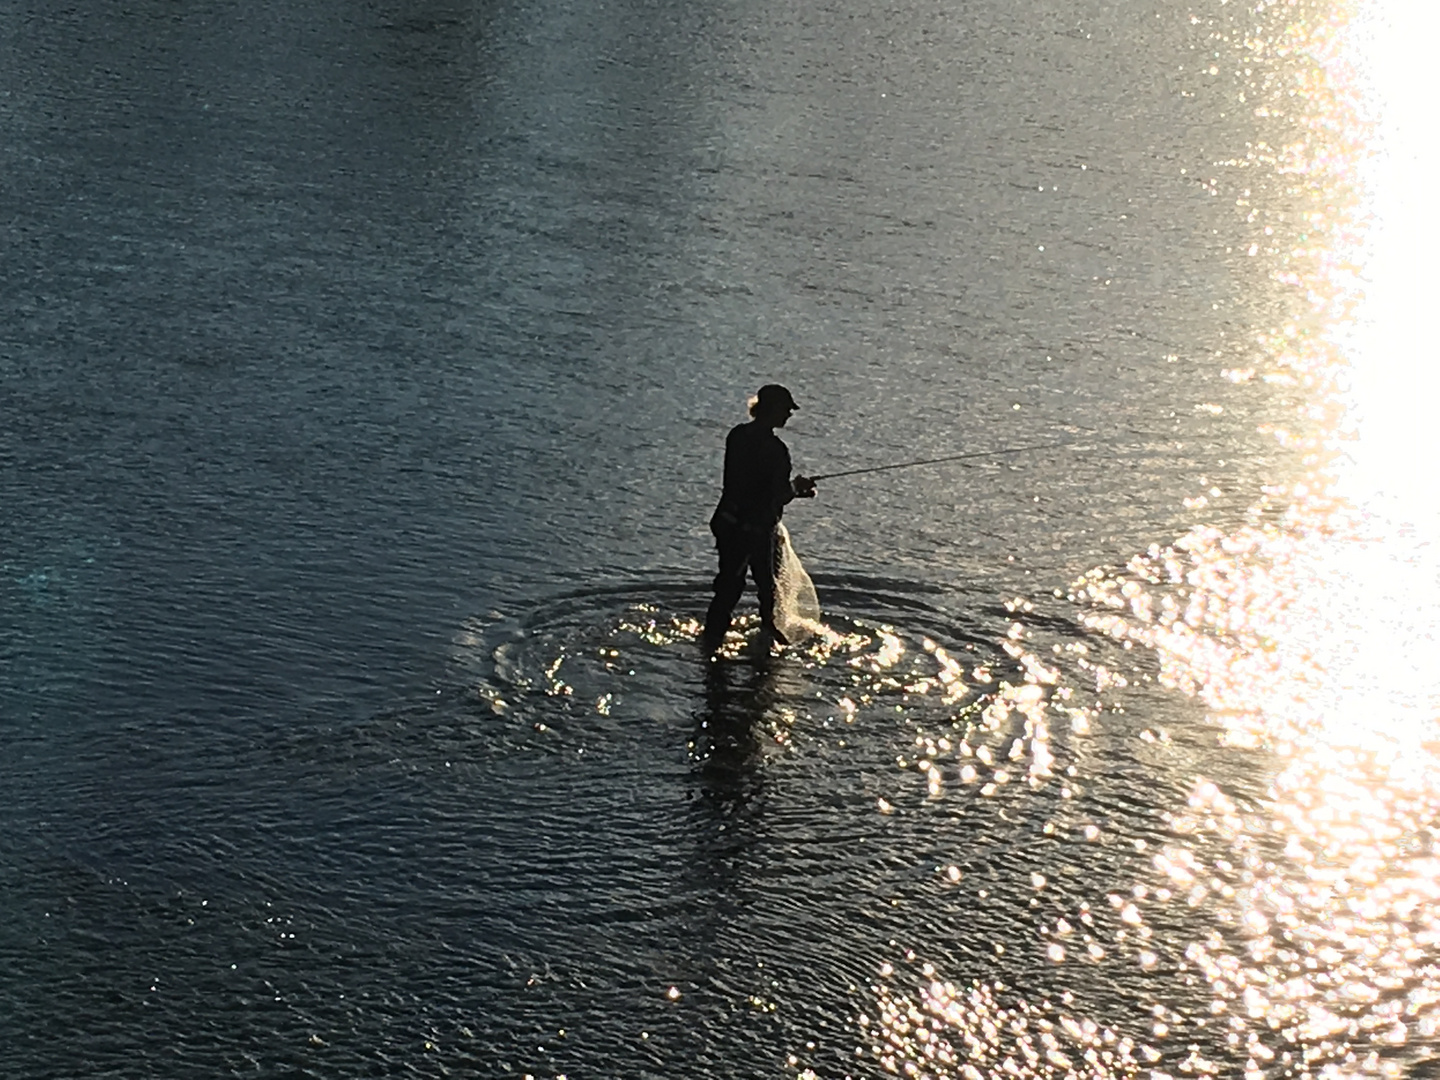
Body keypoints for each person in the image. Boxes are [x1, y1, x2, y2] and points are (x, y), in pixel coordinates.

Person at [701, 384, 816, 651]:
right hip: (755, 529)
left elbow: (749, 484)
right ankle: (767, 637)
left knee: (730, 585)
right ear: (772, 410)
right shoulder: (776, 450)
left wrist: (791, 490)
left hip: (728, 521)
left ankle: (713, 638)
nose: (789, 415)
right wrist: (796, 489)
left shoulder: (737, 436)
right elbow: (775, 494)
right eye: (786, 410)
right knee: (766, 585)